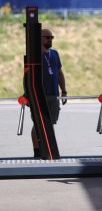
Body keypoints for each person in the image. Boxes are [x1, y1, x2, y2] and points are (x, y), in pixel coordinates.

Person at [32, 29, 67, 158]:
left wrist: (63, 91)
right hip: (40, 95)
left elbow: (59, 73)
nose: (50, 39)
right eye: (47, 37)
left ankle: (47, 147)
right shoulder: (34, 54)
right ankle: (37, 150)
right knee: (38, 123)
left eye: (51, 37)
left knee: (50, 123)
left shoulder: (55, 53)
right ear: (40, 38)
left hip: (53, 94)